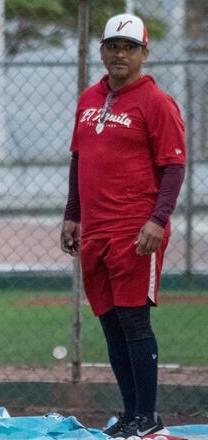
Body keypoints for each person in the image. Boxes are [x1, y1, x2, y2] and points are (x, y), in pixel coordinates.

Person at [60, 13, 185, 439]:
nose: (119, 53)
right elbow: (79, 160)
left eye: (129, 47)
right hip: (94, 229)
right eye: (112, 45)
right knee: (111, 324)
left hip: (135, 231)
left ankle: (147, 417)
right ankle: (131, 414)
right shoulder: (88, 98)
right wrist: (72, 214)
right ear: (102, 51)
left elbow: (173, 166)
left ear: (144, 53)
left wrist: (157, 219)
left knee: (134, 324)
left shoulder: (157, 102)